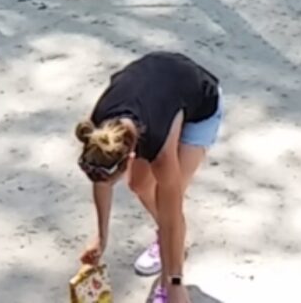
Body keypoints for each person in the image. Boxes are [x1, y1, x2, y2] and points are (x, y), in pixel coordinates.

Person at [77, 51, 223, 303]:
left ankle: (169, 275)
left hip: (200, 103)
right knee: (138, 184)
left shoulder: (159, 150)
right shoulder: (99, 130)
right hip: (158, 87)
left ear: (130, 158)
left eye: (108, 177)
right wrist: (101, 237)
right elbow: (101, 182)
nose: (104, 182)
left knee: (169, 206)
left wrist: (175, 282)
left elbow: (171, 215)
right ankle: (170, 246)